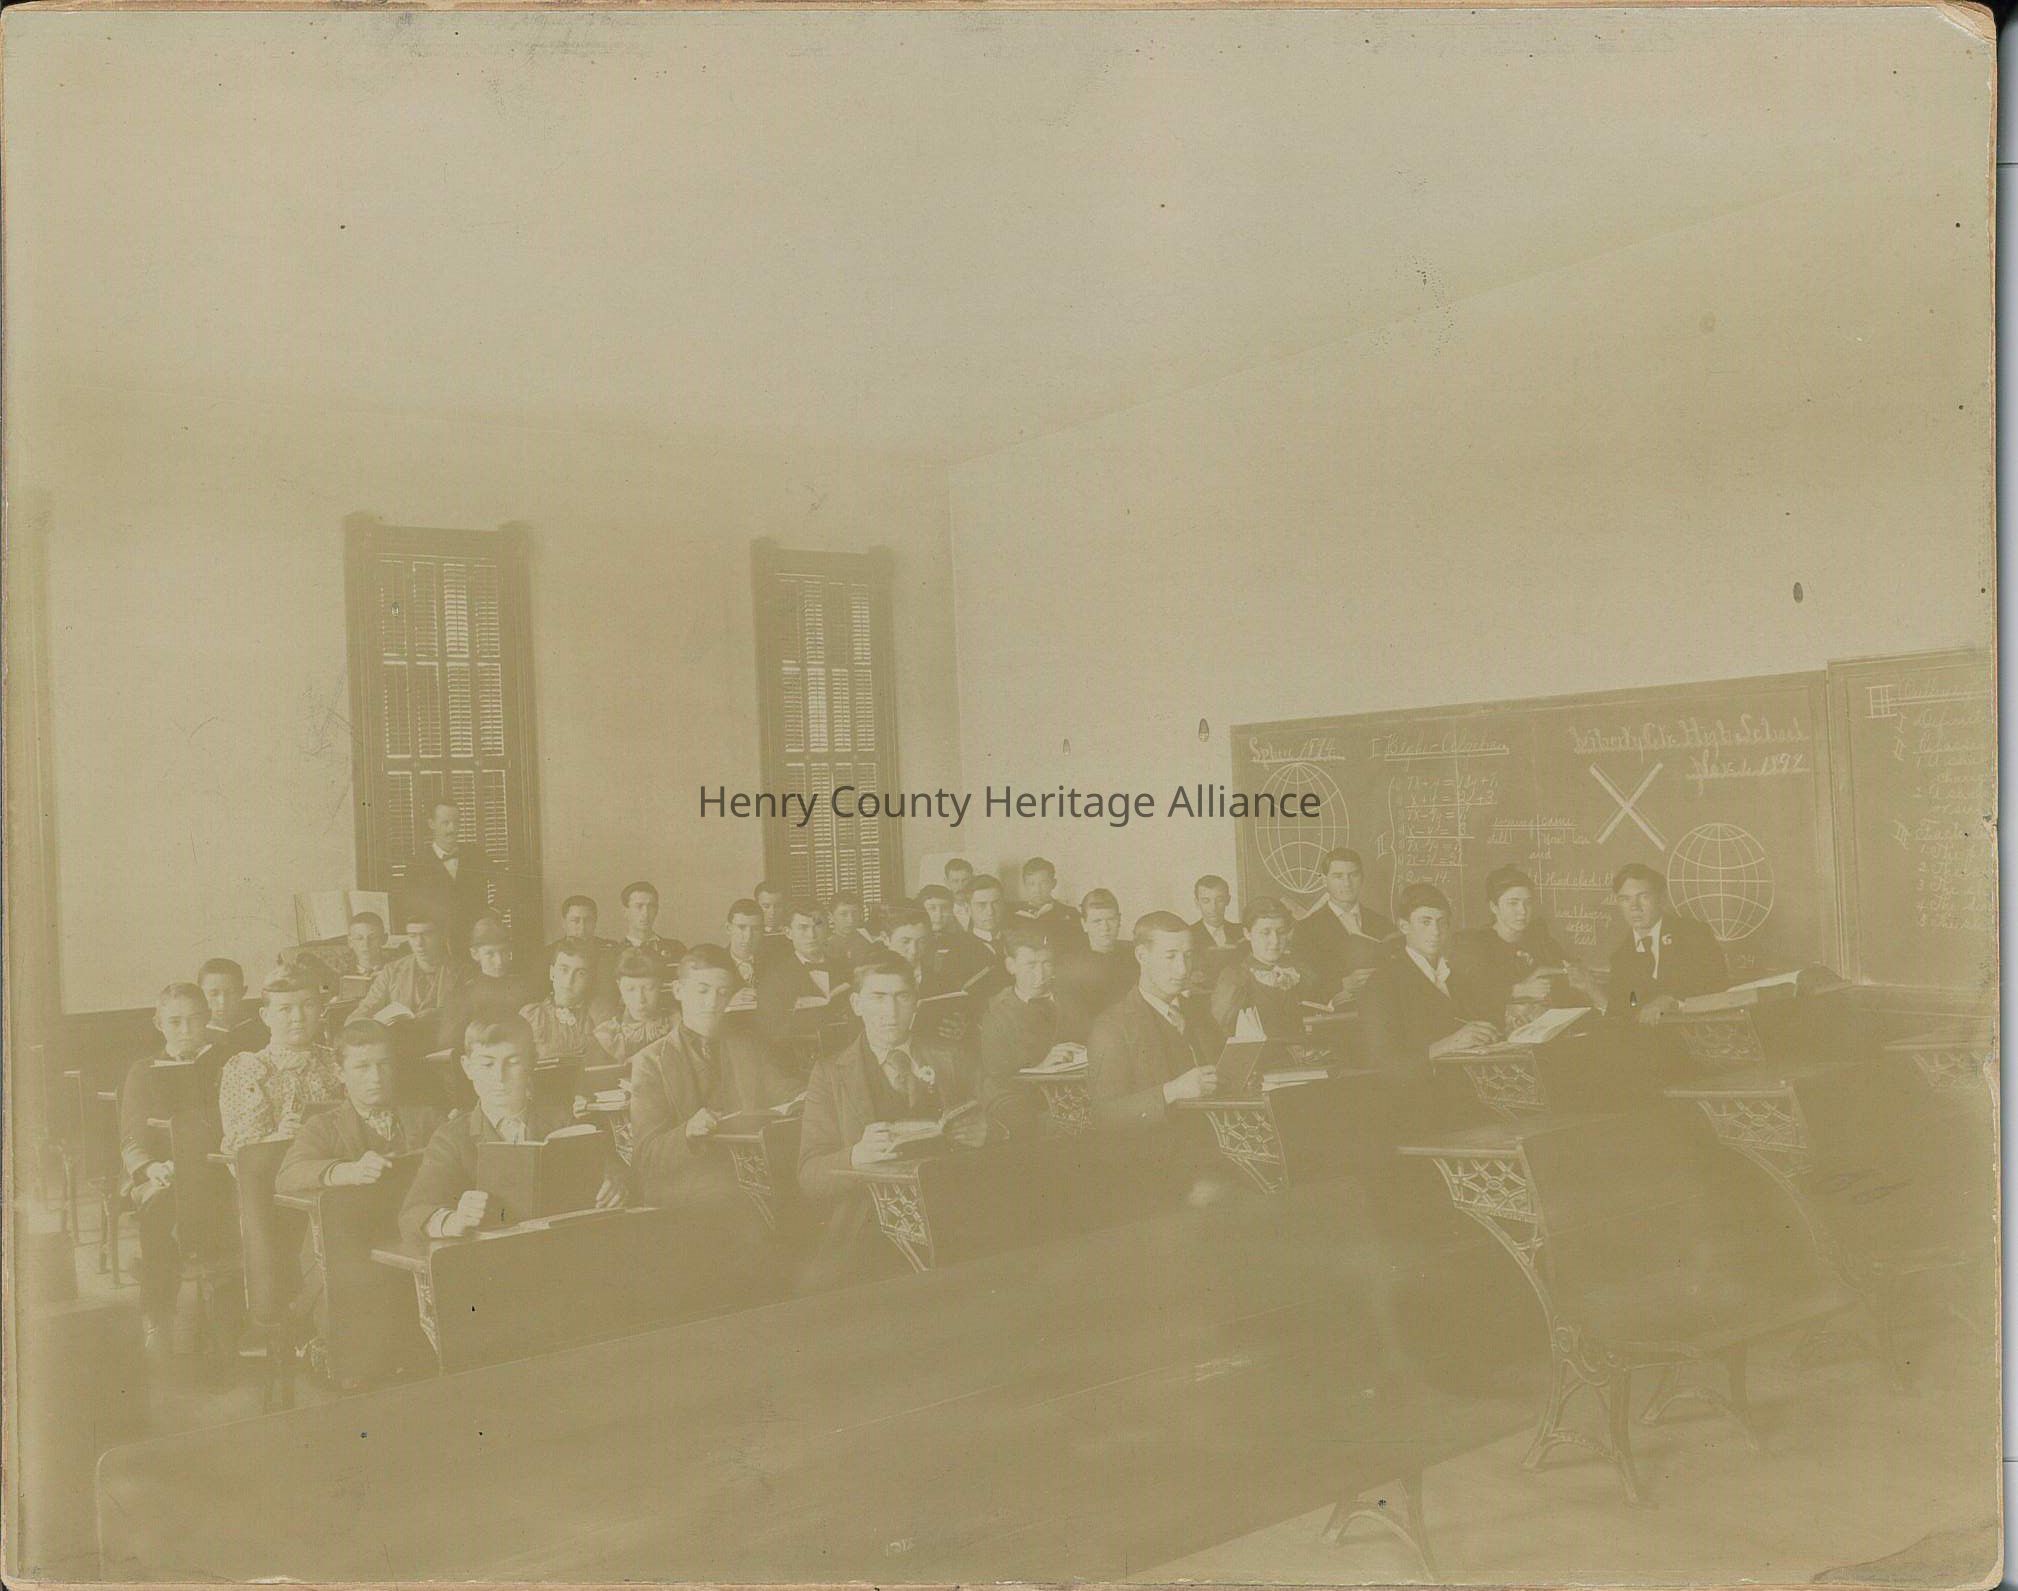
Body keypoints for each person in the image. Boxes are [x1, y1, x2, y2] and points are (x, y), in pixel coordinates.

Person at [796, 954, 988, 1286]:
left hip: (954, 1208)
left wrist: (988, 1131)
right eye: (878, 997)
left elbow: (1001, 1115)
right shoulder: (829, 1074)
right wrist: (856, 1156)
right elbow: (809, 1175)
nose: (891, 1011)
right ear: (856, 1004)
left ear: (916, 1003)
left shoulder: (952, 1056)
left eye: (902, 997)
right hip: (869, 1221)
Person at [276, 1020, 444, 1369]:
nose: (376, 1077)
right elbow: (288, 1176)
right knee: (362, 1355)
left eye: (384, 1065)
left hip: (411, 1243)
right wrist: (346, 1171)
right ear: (340, 1073)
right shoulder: (323, 1127)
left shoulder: (427, 1118)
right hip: (347, 1252)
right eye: (362, 1067)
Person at [399, 1016, 624, 1244]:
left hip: (562, 1245)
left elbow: (611, 1169)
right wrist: (455, 1219)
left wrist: (613, 1182)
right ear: (467, 1067)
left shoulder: (563, 1121)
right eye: (487, 1064)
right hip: (492, 1256)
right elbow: (413, 1214)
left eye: (513, 1062)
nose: (499, 1077)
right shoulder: (452, 1138)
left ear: (531, 1063)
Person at [627, 946, 798, 1207]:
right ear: (678, 991)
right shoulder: (650, 1062)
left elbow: (784, 1091)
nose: (712, 1003)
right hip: (686, 1181)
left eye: (723, 992)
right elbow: (645, 1157)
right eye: (702, 991)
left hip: (751, 1172)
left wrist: (808, 1095)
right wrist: (687, 1132)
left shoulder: (747, 1046)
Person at [118, 983, 217, 1342]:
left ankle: (232, 1306)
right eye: (175, 1022)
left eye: (195, 1019)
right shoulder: (143, 1071)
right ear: (159, 1024)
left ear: (208, 1018)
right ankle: (157, 1310)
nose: (186, 1030)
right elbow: (132, 1134)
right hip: (161, 1170)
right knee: (159, 1207)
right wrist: (151, 1168)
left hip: (215, 1166)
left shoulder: (226, 1062)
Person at [1086, 912, 1221, 1131]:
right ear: (1142, 956)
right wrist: (1172, 1091)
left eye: (1187, 956)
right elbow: (1104, 1116)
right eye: (1170, 956)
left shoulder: (1198, 1012)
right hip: (1154, 1148)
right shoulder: (1111, 1026)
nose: (1182, 969)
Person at [1360, 883, 1499, 1084]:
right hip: (1416, 1095)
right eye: (1425, 922)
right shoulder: (1382, 983)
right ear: (1404, 926)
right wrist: (1447, 1045)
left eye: (1442, 922)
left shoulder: (1458, 978)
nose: (1436, 931)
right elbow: (1382, 1065)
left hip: (1469, 1086)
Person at [217, 968, 342, 1155]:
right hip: (277, 1162)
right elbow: (241, 1146)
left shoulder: (337, 1060)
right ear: (265, 1016)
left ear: (321, 1010)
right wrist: (279, 1137)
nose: (298, 1017)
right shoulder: (248, 1068)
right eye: (285, 1009)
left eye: (308, 1005)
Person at [1449, 866, 1590, 1028]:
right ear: (1494, 907)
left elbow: (1568, 970)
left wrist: (1559, 971)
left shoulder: (1539, 938)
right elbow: (1469, 999)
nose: (1522, 911)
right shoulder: (1475, 945)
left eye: (1527, 903)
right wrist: (1518, 990)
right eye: (1513, 903)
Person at [1605, 863, 1730, 1022]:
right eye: (1625, 899)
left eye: (1643, 897)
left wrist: (1674, 1001)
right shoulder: (1621, 957)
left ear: (1661, 898)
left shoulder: (1693, 934)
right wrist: (1591, 989)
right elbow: (1629, 1005)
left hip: (1693, 1031)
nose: (1634, 907)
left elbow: (1717, 985)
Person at [974, 926, 1060, 1139]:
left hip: (1064, 1087)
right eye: (1031, 965)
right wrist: (1040, 1068)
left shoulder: (1068, 998)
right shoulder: (997, 1011)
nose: (1040, 974)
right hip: (1012, 1093)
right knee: (1035, 1123)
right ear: (1011, 966)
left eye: (1047, 963)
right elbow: (998, 1073)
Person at [1291, 849, 1395, 1004]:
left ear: (1362, 878)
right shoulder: (1306, 929)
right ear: (1324, 880)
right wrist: (1341, 984)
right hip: (1335, 1015)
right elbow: (1303, 982)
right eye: (1338, 876)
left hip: (1380, 1008)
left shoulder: (1382, 924)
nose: (1347, 883)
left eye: (1353, 875)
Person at [1209, 896, 1308, 1041]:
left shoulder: (1299, 971)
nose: (1275, 941)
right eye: (1265, 933)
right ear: (1247, 934)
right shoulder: (1235, 978)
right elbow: (1219, 1033)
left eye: (1281, 932)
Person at [436, 916, 537, 1057]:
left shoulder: (524, 989)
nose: (499, 961)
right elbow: (449, 1047)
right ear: (475, 954)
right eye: (490, 954)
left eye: (504, 952)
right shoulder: (462, 996)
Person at [401, 801, 494, 953]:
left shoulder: (475, 854)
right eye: (446, 823)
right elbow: (409, 907)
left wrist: (493, 912)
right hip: (437, 944)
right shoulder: (416, 864)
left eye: (456, 823)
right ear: (431, 824)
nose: (452, 829)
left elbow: (506, 882)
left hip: (475, 943)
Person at [755, 902, 848, 1045]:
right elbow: (770, 1032)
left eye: (818, 925)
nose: (812, 935)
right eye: (803, 928)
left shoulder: (846, 969)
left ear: (828, 929)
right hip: (798, 1055)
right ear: (788, 932)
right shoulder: (773, 978)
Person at [352, 915, 462, 1028]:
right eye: (413, 936)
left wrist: (439, 1014)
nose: (419, 943)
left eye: (427, 935)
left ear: (442, 937)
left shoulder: (461, 971)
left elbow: (466, 1013)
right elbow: (367, 1007)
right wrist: (354, 1026)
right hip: (399, 1035)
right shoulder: (392, 970)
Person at [1056, 889, 1136, 1040]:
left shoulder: (1135, 954)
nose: (1105, 928)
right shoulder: (1069, 965)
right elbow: (1075, 1020)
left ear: (1119, 920)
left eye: (1110, 919)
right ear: (1084, 924)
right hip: (1095, 1039)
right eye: (1097, 921)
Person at [521, 942, 601, 1063]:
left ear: (590, 979)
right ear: (552, 973)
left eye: (580, 973)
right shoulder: (531, 1015)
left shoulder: (597, 1017)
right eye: (564, 970)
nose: (569, 980)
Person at [594, 949, 675, 1066]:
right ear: (619, 986)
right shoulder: (607, 1035)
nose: (640, 999)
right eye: (630, 989)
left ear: (660, 985)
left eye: (649, 988)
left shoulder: (676, 1026)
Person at [546, 895, 619, 1019]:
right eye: (575, 921)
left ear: (595, 923)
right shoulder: (548, 953)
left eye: (588, 920)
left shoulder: (610, 952)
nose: (582, 927)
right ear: (564, 923)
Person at [197, 957, 266, 1059]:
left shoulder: (262, 1028)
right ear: (199, 994)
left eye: (231, 993)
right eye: (213, 994)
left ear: (243, 992)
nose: (222, 1001)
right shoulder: (194, 1035)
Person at [1187, 875, 1246, 990]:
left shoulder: (1243, 932)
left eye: (1219, 900)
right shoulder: (1187, 935)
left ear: (1228, 900)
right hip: (1202, 998)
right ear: (1197, 903)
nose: (1213, 908)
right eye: (1206, 901)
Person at [1014, 857, 1084, 951]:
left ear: (1053, 883)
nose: (1037, 890)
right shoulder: (1014, 915)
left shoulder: (1070, 913)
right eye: (1031, 884)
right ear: (1024, 885)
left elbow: (1079, 949)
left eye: (1043, 883)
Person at [615, 881, 686, 966]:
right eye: (639, 906)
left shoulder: (676, 949)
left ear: (656, 910)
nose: (646, 913)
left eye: (651, 906)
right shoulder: (614, 954)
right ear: (625, 912)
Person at [824, 893, 875, 971]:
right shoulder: (824, 947)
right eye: (843, 914)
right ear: (831, 917)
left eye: (855, 913)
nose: (851, 920)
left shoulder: (869, 944)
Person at [723, 899, 766, 989]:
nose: (748, 936)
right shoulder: (716, 963)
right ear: (728, 928)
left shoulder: (775, 963)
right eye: (741, 927)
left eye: (756, 929)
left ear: (762, 930)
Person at [345, 913, 393, 979]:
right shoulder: (340, 974)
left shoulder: (395, 971)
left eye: (372, 938)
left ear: (384, 939)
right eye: (359, 938)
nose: (366, 944)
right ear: (350, 942)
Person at [753, 881, 791, 963]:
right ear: (757, 906)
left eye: (778, 906)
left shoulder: (793, 933)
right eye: (766, 906)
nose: (772, 912)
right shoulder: (750, 934)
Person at [943, 859, 975, 929]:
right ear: (946, 882)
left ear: (972, 880)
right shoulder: (942, 908)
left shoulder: (980, 904)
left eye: (964, 880)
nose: (961, 886)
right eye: (955, 881)